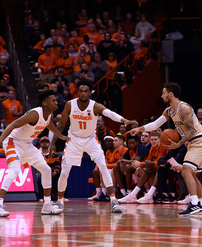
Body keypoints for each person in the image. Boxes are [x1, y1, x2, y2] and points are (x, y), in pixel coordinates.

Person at [51, 80, 137, 213]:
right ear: (78, 92)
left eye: (86, 91)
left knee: (103, 166)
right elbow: (61, 124)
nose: (84, 93)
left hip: (91, 139)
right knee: (64, 171)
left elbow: (109, 113)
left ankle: (113, 201)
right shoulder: (70, 104)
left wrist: (124, 120)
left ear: (90, 92)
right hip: (73, 139)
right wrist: (53, 142)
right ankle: (60, 201)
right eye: (81, 91)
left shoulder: (95, 106)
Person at [129, 82, 202, 216]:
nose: (161, 96)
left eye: (163, 93)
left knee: (186, 170)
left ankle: (194, 204)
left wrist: (178, 144)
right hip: (191, 143)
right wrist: (139, 128)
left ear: (170, 94)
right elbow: (155, 124)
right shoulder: (169, 110)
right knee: (192, 175)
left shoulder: (184, 108)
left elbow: (192, 129)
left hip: (198, 140)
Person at [0, 90, 70, 217]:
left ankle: (47, 205)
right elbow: (12, 124)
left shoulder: (49, 114)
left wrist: (60, 136)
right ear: (44, 103)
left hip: (26, 144)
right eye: (53, 100)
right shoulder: (34, 114)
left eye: (55, 100)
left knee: (46, 170)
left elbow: (49, 124)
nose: (56, 102)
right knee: (14, 171)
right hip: (12, 142)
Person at [117, 132, 167, 203]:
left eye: (155, 139)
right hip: (154, 168)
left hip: (166, 169)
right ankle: (133, 194)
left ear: (160, 140)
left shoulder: (162, 147)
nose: (153, 141)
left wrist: (140, 164)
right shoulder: (152, 147)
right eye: (152, 139)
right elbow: (148, 161)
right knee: (148, 169)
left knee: (153, 168)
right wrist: (142, 164)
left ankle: (150, 195)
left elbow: (158, 162)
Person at [37, 136, 61, 202]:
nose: (44, 143)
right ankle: (41, 197)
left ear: (49, 143)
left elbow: (58, 166)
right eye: (43, 142)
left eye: (46, 142)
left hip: (51, 173)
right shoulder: (37, 154)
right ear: (40, 143)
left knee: (63, 175)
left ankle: (58, 197)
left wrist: (55, 172)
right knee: (39, 176)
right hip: (39, 173)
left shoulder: (54, 154)